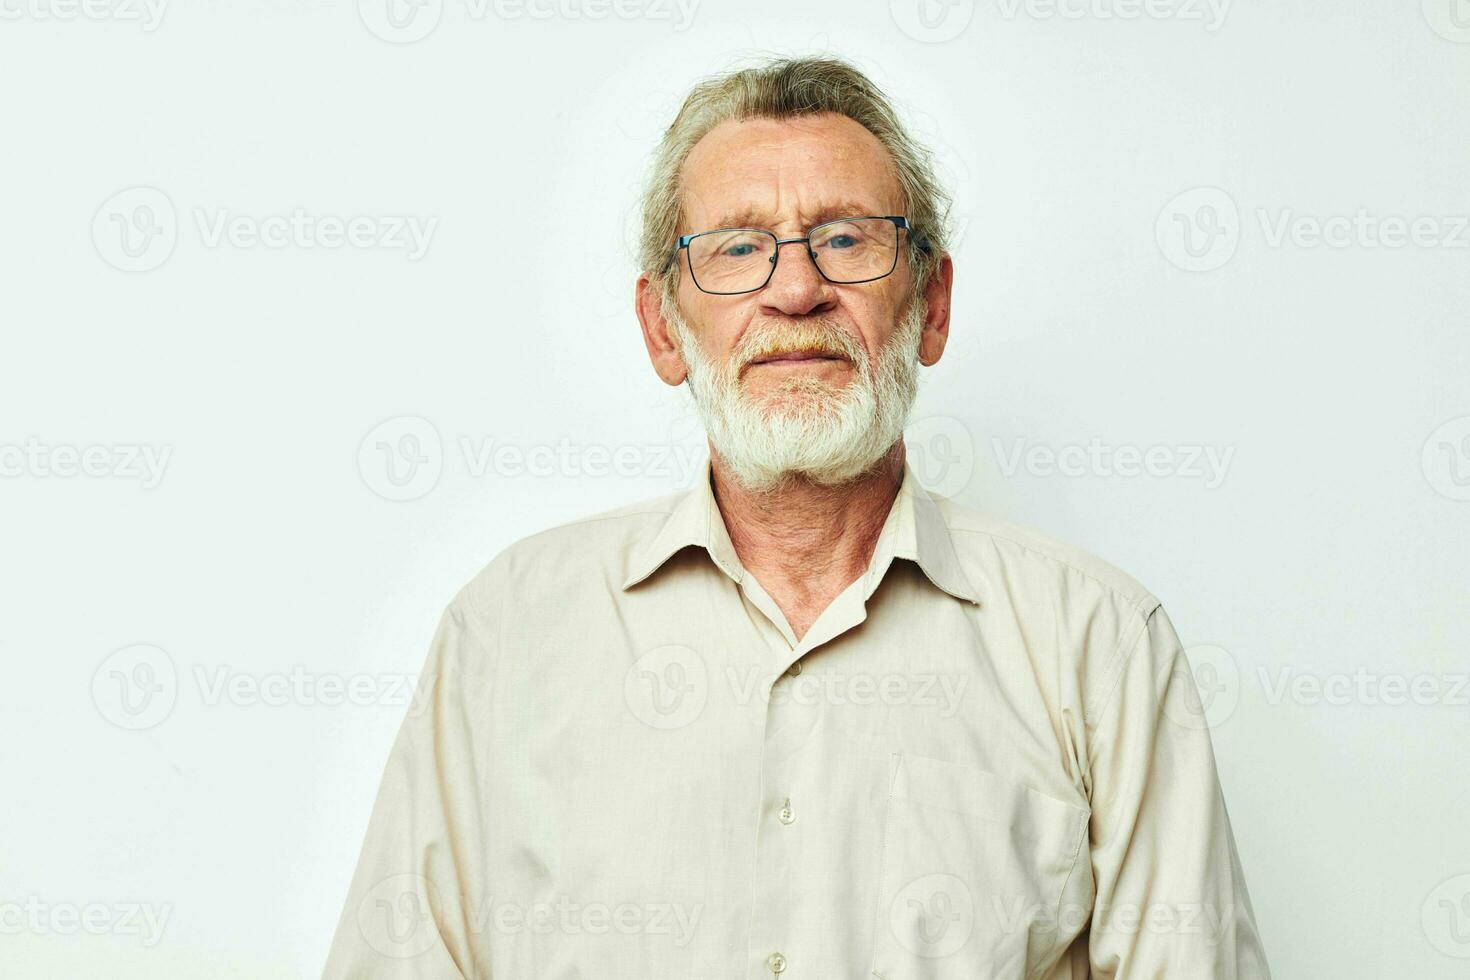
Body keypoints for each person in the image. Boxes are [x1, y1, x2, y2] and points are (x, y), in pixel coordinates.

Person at [324, 55, 1271, 979]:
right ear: (663, 328)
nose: (795, 289)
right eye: (737, 248)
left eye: (848, 239)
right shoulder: (508, 634)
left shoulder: (1100, 645)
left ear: (932, 305)